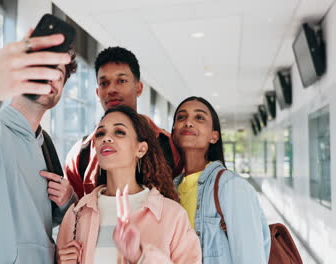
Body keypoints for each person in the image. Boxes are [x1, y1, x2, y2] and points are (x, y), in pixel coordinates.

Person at [0, 30, 78, 263]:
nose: (51, 77)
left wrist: (68, 199)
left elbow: (41, 219)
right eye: (42, 68)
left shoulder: (44, 143)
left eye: (58, 73)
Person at [57, 105, 201, 264]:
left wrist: (140, 256)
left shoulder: (172, 215)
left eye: (119, 132)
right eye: (100, 133)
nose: (106, 138)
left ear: (141, 149)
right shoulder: (77, 213)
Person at [65, 47, 182, 199]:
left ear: (138, 88)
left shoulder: (170, 146)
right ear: (97, 93)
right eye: (104, 83)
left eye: (121, 81)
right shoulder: (80, 154)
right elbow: (77, 212)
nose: (111, 89)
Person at [171, 96, 271, 263]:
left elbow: (251, 258)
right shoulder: (170, 190)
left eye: (199, 117)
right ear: (173, 133)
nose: (188, 122)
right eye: (181, 117)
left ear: (214, 136)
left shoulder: (231, 187)